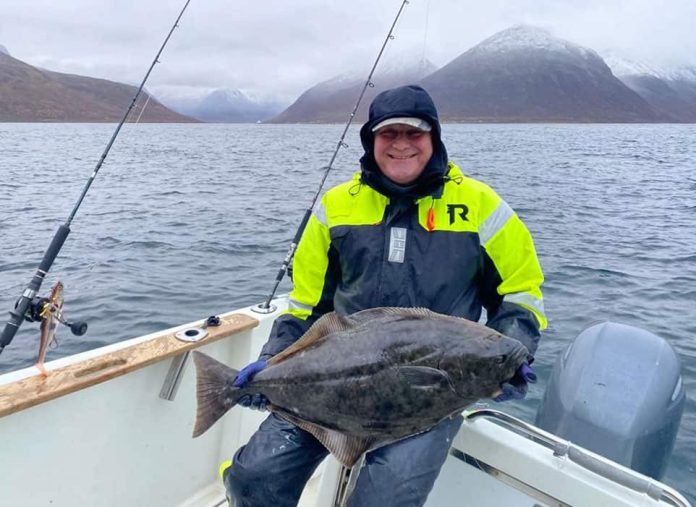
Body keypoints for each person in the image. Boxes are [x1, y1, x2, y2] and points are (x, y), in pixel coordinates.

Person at [224, 84, 547, 506]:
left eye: (414, 133)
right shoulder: (336, 207)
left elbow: (520, 295)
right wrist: (275, 360)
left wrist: (513, 354)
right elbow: (307, 303)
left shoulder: (482, 208)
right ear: (370, 140)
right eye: (388, 134)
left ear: (434, 137)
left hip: (430, 398)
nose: (401, 145)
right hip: (334, 380)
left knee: (385, 498)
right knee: (252, 477)